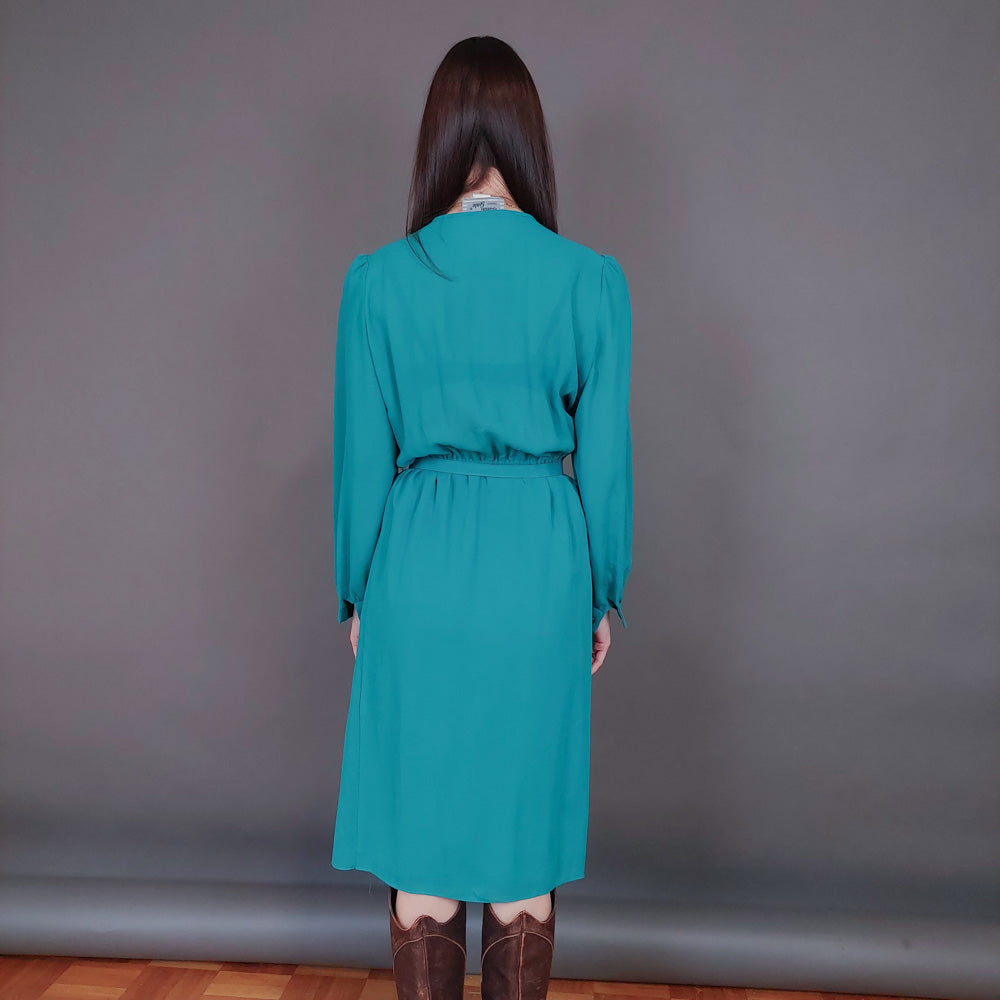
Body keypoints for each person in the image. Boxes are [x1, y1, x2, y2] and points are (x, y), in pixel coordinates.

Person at [331, 35, 633, 1000]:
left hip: (416, 564)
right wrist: (602, 590)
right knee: (521, 852)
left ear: (438, 137)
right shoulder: (589, 278)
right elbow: (608, 460)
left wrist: (358, 592)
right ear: (527, 136)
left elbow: (361, 457)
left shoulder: (378, 279)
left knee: (420, 849)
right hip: (541, 565)